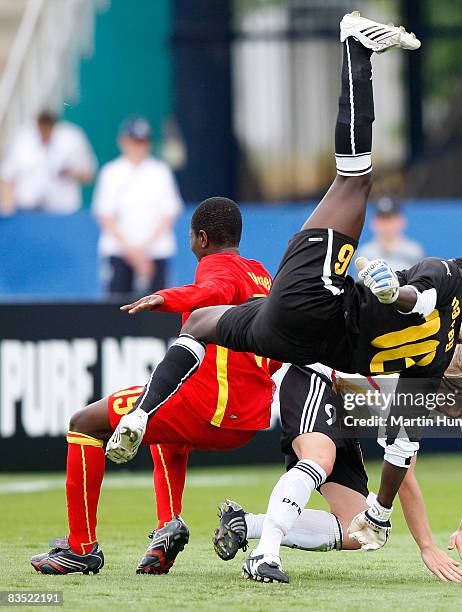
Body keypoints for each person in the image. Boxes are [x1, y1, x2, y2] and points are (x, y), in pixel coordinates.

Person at [109, 11, 462, 555]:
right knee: (205, 325)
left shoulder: (450, 280)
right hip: (295, 341)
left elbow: (425, 291)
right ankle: (258, 531)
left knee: (354, 177)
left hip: (318, 302)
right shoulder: (433, 365)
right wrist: (381, 512)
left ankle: (355, 47)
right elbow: (402, 447)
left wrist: (395, 292)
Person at [31, 198, 280, 575]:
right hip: (248, 419)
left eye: (190, 238)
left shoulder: (217, 266)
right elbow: (274, 348)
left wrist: (165, 297)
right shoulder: (262, 275)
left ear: (201, 238)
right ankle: (167, 528)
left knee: (84, 423)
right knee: (164, 433)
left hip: (208, 409)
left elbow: (211, 292)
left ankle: (81, 548)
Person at [213, 321, 462, 583]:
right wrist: (427, 547)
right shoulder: (403, 384)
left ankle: (244, 525)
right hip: (315, 373)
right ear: (439, 378)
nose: (458, 413)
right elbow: (404, 475)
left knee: (355, 530)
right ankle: (265, 554)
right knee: (320, 458)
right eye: (456, 403)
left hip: (346, 408)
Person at [92, 116, 183, 296]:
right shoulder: (111, 172)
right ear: (123, 142)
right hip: (120, 252)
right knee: (116, 307)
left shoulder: (160, 172)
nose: (138, 147)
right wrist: (132, 253)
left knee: (159, 307)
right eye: (134, 141)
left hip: (155, 251)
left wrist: (144, 249)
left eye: (142, 141)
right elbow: (105, 216)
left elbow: (169, 214)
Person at [0, 110, 96, 215]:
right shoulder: (22, 137)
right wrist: (8, 208)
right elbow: (7, 175)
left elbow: (89, 175)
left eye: (48, 128)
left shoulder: (73, 138)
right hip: (26, 211)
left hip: (63, 212)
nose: (44, 132)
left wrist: (70, 173)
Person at [355, 196, 423, 271]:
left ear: (401, 221)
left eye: (390, 219)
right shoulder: (365, 253)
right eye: (382, 219)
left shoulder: (413, 251)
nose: (387, 225)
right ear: (374, 222)